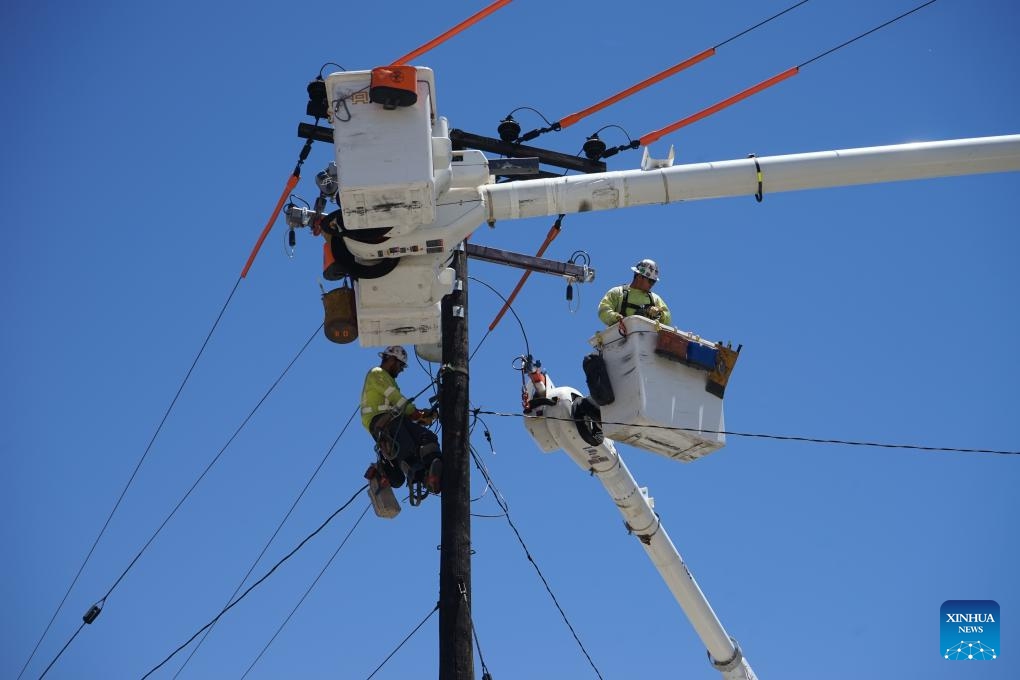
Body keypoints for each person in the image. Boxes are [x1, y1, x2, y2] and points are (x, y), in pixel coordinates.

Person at [360, 345, 442, 494]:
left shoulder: (387, 379)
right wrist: (416, 414)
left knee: (428, 438)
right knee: (408, 450)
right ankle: (420, 475)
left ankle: (432, 475)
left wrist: (420, 416)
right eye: (400, 365)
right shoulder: (376, 373)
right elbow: (397, 399)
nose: (401, 370)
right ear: (391, 359)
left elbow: (400, 408)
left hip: (394, 421)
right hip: (382, 423)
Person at [598, 258, 672, 326]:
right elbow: (603, 310)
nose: (652, 284)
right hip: (621, 336)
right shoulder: (617, 292)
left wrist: (660, 313)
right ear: (639, 276)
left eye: (654, 282)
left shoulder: (655, 298)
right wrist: (616, 317)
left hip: (646, 336)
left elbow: (668, 318)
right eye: (650, 281)